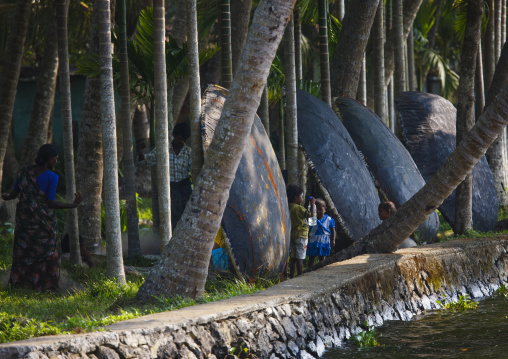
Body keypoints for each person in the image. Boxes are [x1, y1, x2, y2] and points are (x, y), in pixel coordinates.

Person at [1, 144, 82, 292]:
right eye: (56, 159)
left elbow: (12, 195)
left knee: (22, 252)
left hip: (24, 222)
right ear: (50, 159)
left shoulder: (24, 171)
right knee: (48, 253)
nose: (56, 162)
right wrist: (72, 205)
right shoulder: (52, 177)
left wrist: (5, 196)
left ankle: (20, 284)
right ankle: (45, 286)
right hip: (43, 223)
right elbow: (50, 203)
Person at [287, 184, 314, 278]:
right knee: (300, 258)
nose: (302, 199)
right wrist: (313, 204)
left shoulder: (288, 207)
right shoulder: (299, 208)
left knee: (293, 258)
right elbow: (312, 218)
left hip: (292, 235)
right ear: (296, 197)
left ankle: (291, 276)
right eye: (301, 197)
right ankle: (300, 276)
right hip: (301, 236)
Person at [170, 122, 192, 229]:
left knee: (187, 212)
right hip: (171, 186)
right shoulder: (164, 150)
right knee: (173, 214)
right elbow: (148, 160)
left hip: (184, 186)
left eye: (184, 140)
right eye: (179, 138)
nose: (181, 142)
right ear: (174, 135)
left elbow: (193, 169)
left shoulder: (188, 152)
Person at [307, 198, 336, 268]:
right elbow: (309, 230)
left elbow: (333, 230)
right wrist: (307, 240)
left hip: (324, 241)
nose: (318, 211)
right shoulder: (312, 219)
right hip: (313, 241)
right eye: (315, 209)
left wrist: (333, 240)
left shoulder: (329, 220)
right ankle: (308, 271)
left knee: (322, 257)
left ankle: (322, 269)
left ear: (325, 209)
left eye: (320, 209)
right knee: (311, 257)